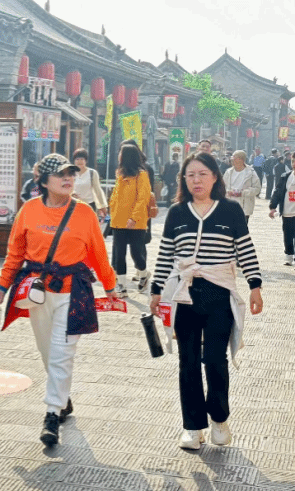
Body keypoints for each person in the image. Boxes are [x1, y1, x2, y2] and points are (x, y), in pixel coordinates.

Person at [0, 153, 116, 447]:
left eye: (70, 173)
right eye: (61, 174)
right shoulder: (29, 210)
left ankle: (51, 415)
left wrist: (110, 286)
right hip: (37, 293)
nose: (68, 178)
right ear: (44, 182)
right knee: (47, 351)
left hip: (73, 292)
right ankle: (62, 399)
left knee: (61, 354)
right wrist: (2, 286)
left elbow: (98, 253)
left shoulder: (84, 213)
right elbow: (15, 253)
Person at [150, 152, 263, 450]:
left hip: (218, 293)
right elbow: (165, 254)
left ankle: (220, 419)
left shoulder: (230, 211)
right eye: (190, 175)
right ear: (183, 180)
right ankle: (192, 427)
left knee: (214, 359)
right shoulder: (177, 213)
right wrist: (156, 289)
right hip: (184, 294)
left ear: (215, 177)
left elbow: (245, 249)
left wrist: (255, 285)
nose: (196, 180)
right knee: (187, 361)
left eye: (202, 174)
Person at [109, 143, 152, 297]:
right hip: (118, 220)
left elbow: (143, 198)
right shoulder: (120, 174)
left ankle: (144, 274)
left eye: (121, 152)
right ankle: (121, 285)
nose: (119, 155)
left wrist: (134, 217)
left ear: (126, 156)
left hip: (136, 222)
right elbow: (116, 196)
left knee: (136, 253)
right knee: (119, 254)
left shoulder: (142, 175)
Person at [269, 153, 295, 265]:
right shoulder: (286, 176)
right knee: (288, 235)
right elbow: (277, 192)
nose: (294, 164)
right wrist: (273, 207)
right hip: (287, 211)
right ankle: (289, 255)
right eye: (293, 161)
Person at [222, 150, 261, 223]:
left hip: (244, 207)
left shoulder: (251, 172)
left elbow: (257, 189)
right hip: (229, 205)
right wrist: (228, 192)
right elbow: (222, 187)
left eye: (235, 158)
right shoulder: (228, 172)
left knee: (242, 228)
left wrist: (243, 193)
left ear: (241, 160)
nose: (232, 160)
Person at [72, 148, 107, 216]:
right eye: (77, 159)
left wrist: (103, 206)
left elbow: (97, 190)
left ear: (85, 160)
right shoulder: (71, 173)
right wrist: (72, 194)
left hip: (89, 205)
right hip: (74, 205)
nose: (79, 161)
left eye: (82, 159)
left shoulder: (92, 173)